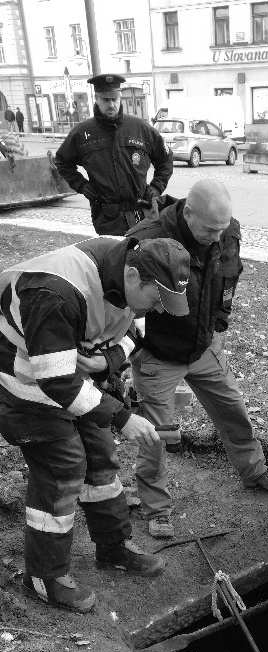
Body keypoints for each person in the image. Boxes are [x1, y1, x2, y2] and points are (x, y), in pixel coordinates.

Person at [0, 235, 191, 613]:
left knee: (100, 458)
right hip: (23, 379)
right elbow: (56, 382)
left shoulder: (124, 273)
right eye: (157, 298)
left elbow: (134, 330)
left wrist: (110, 359)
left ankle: (114, 548)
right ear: (135, 276)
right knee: (63, 467)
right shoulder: (55, 292)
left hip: (69, 374)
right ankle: (44, 577)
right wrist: (122, 417)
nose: (160, 309)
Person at [126, 180, 268, 539]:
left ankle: (254, 470)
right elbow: (123, 300)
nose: (217, 237)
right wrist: (135, 348)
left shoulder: (226, 231)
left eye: (221, 228)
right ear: (187, 213)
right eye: (209, 229)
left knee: (232, 408)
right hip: (159, 355)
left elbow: (230, 279)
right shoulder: (146, 239)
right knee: (157, 435)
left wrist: (219, 324)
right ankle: (157, 508)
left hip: (203, 347)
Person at [54, 74, 173, 236]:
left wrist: (156, 187)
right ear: (96, 99)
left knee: (144, 258)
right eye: (105, 100)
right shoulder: (83, 133)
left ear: (120, 97)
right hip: (107, 218)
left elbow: (165, 159)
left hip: (142, 213)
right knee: (114, 258)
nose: (111, 104)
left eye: (114, 99)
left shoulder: (140, 128)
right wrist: (82, 185)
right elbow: (62, 162)